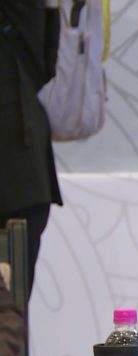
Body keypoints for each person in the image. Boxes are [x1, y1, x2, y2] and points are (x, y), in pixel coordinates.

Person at [0, 0, 61, 298]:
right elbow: (46, 66)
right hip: (22, 173)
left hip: (18, 178)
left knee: (8, 322)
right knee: (10, 322)